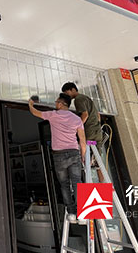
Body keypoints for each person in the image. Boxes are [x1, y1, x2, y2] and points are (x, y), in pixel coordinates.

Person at [29, 93, 87, 224]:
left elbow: (35, 112)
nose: (55, 104)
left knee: (64, 184)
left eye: (56, 102)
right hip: (74, 153)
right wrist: (83, 156)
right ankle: (82, 213)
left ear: (61, 104)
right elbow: (82, 140)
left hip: (59, 155)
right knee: (77, 182)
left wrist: (30, 103)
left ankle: (71, 213)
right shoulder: (77, 119)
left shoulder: (53, 115)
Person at [62, 82, 105, 181]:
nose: (67, 95)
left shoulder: (78, 99)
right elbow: (98, 115)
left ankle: (87, 184)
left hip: (89, 133)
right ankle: (102, 183)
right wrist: (96, 126)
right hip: (97, 133)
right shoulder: (86, 98)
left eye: (66, 92)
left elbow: (84, 115)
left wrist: (75, 128)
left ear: (72, 89)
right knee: (98, 162)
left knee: (83, 158)